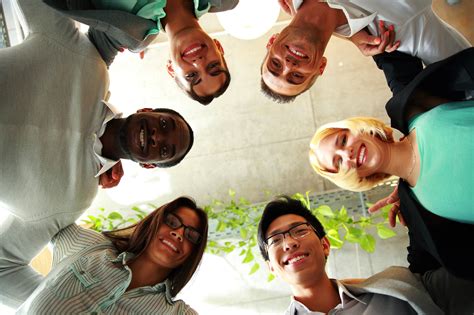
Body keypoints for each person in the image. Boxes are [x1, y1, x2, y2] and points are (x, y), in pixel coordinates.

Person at [0, 0, 193, 307]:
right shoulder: (86, 62)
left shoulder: (75, 198)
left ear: (148, 166)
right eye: (165, 125)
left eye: (165, 149)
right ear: (148, 110)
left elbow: (2, 269)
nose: (157, 136)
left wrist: (69, 305)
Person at [309, 48, 474, 280]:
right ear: (349, 177)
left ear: (357, 128)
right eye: (338, 161)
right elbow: (419, 276)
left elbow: (387, 51)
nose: (348, 153)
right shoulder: (417, 211)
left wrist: (349, 32)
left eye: (343, 140)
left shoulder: (410, 106)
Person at [257, 196, 474, 314]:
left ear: (325, 245)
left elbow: (464, 279)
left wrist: (415, 201)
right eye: (275, 240)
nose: (290, 242)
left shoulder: (397, 287)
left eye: (300, 230)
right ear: (271, 268)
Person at [12, 196, 208, 314]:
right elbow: (43, 208)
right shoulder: (89, 245)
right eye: (172, 222)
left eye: (191, 235)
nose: (179, 233)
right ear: (154, 222)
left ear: (193, 254)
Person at [260, 0, 471, 103]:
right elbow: (467, 74)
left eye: (275, 64)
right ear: (321, 66)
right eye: (296, 76)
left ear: (272, 41)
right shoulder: (395, 30)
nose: (289, 65)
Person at [44, 0, 238, 105]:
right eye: (213, 66)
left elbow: (89, 64)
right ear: (219, 48)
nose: (199, 62)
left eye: (192, 75)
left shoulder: (129, 34)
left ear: (171, 69)